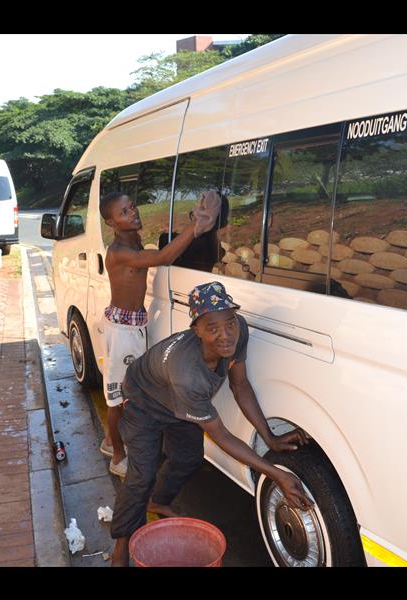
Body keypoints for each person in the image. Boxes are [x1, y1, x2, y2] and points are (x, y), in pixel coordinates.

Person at [109, 281, 314, 566]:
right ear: (197, 330)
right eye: (213, 328)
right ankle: (121, 542)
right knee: (141, 475)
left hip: (178, 401)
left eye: (229, 323)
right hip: (144, 400)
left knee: (189, 457)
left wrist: (269, 437)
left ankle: (158, 501)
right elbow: (222, 436)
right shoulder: (188, 374)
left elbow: (239, 385)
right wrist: (275, 473)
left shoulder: (238, 332)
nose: (225, 335)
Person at [99, 190, 221, 477]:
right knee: (118, 397)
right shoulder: (119, 250)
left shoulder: (133, 240)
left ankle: (109, 441)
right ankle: (117, 456)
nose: (133, 212)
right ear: (111, 223)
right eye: (124, 212)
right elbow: (164, 256)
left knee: (130, 388)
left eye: (132, 206)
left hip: (133, 324)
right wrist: (197, 224)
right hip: (122, 332)